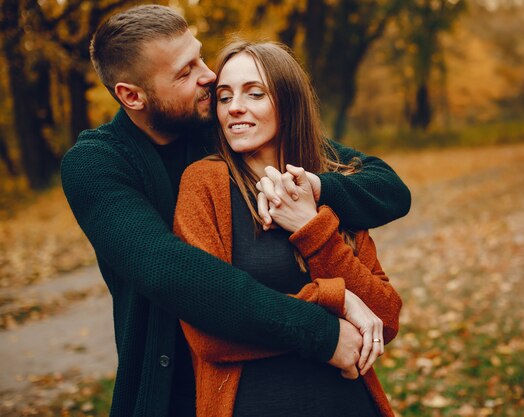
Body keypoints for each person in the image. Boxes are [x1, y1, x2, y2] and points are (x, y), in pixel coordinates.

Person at [60, 5, 410, 417]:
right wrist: (326, 323)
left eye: (200, 57)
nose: (209, 77)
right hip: (175, 389)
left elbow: (385, 185)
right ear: (132, 96)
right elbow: (171, 271)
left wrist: (313, 188)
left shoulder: (227, 126)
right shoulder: (97, 163)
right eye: (185, 71)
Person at [173, 40, 403, 417]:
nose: (235, 108)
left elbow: (384, 318)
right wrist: (331, 300)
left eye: (255, 93)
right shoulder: (204, 184)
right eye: (224, 96)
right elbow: (208, 333)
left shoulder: (329, 185)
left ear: (289, 102)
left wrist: (311, 228)